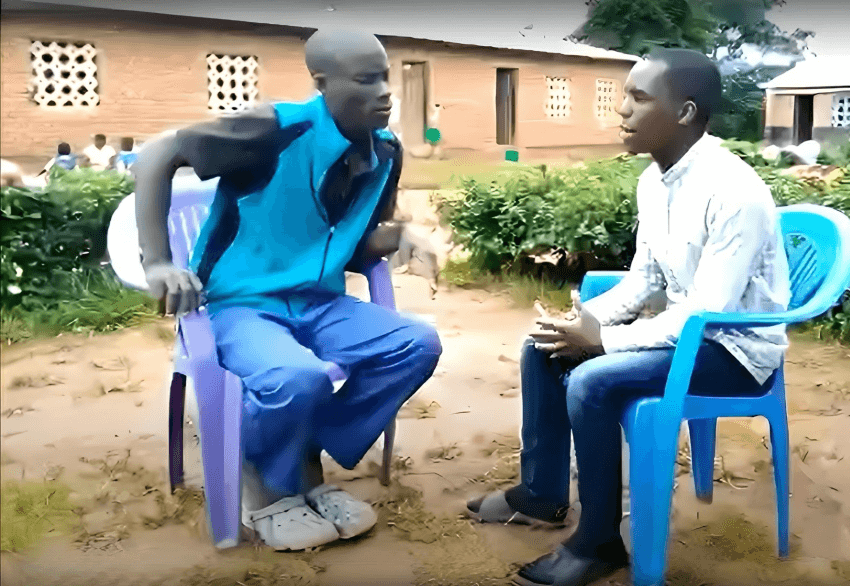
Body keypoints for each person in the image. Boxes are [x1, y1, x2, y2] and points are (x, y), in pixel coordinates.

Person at [465, 47, 791, 586]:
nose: (622, 109)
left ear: (684, 113)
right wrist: (583, 322)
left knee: (592, 380)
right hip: (685, 333)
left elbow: (706, 313)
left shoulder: (736, 193)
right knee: (543, 347)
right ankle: (540, 495)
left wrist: (603, 343)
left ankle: (599, 540)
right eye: (625, 95)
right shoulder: (653, 181)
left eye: (639, 97)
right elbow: (645, 280)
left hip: (732, 351)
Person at [132, 29, 442, 552]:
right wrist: (160, 262)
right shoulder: (276, 129)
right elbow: (158, 153)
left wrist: (401, 236)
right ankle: (269, 486)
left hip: (319, 302)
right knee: (296, 377)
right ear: (322, 83)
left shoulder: (385, 151)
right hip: (242, 304)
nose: (385, 91)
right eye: (366, 79)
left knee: (415, 344)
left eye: (385, 76)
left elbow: (357, 241)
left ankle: (301, 452)